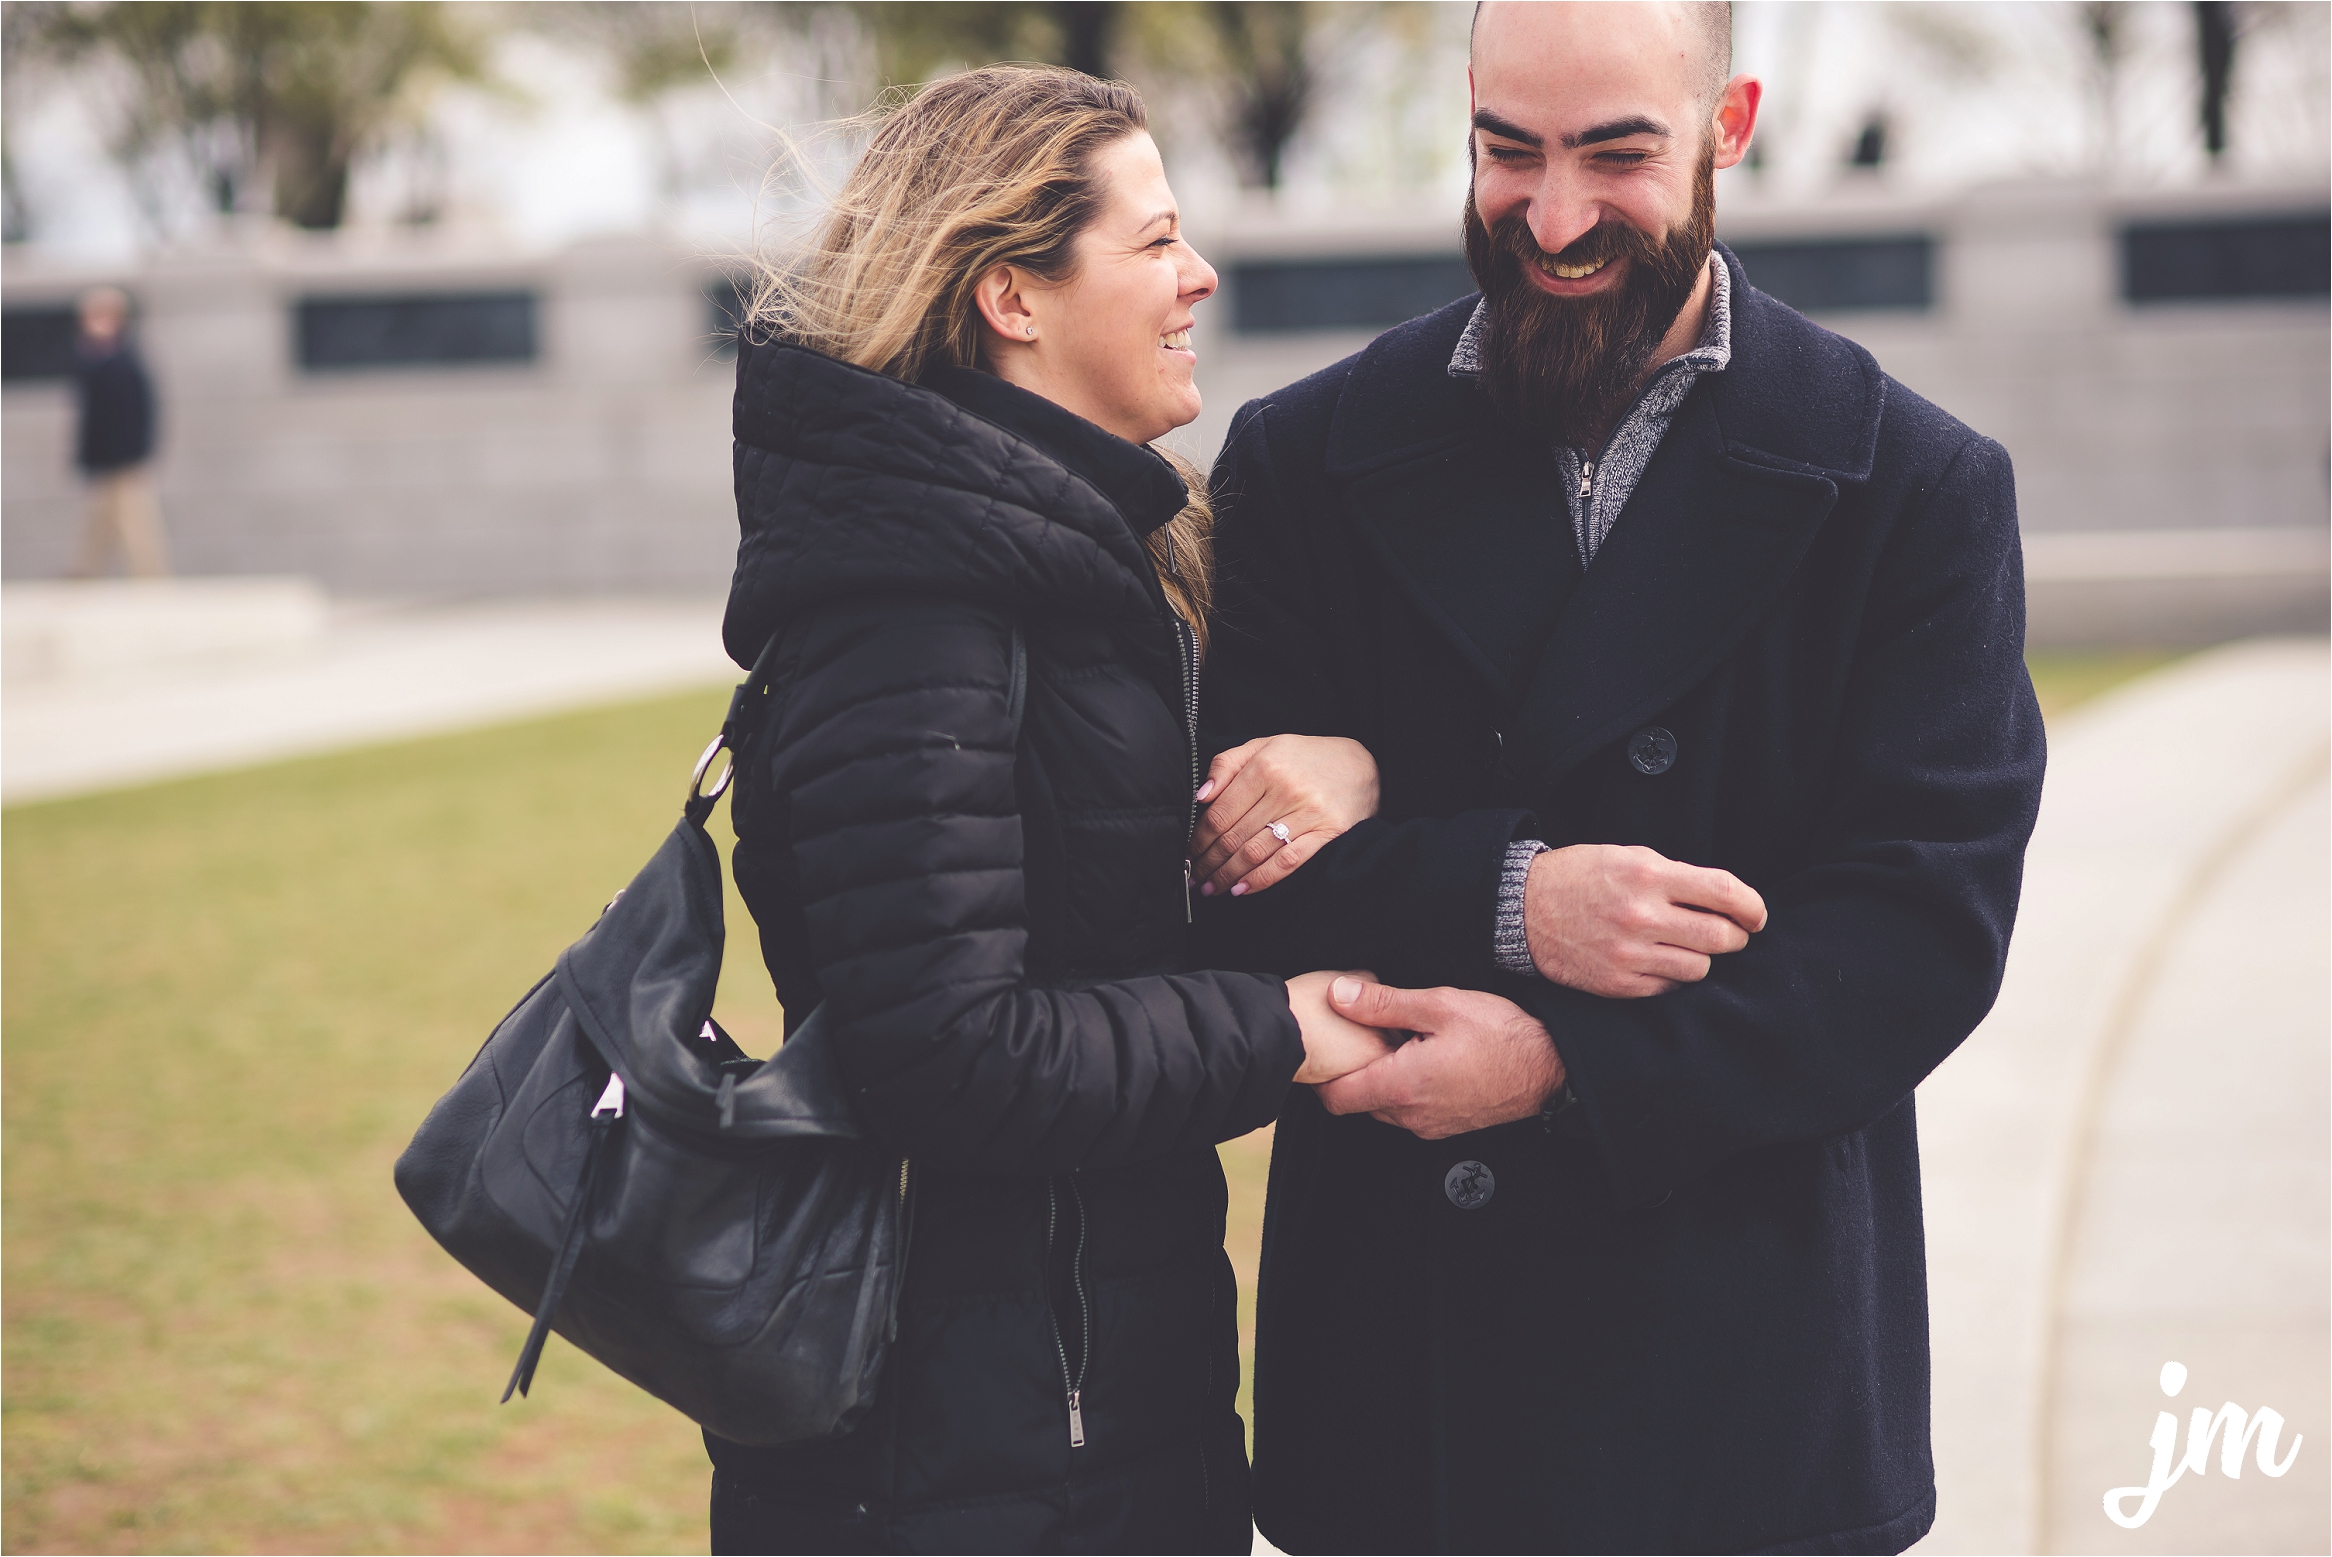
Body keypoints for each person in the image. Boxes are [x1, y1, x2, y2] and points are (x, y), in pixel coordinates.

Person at [1189, 3, 2048, 1552]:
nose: (1557, 215)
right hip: (1405, 1384)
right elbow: (1228, 891)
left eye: (1616, 153)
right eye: (1506, 150)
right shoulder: (1303, 462)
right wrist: (1517, 898)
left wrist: (1569, 1065)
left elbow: (1924, 934)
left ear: (1730, 125)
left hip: (1747, 1378)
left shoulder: (1914, 488)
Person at [709, 66, 1393, 1555]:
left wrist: (1355, 768)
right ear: (1014, 297)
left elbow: (1115, 908)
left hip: (1091, 1415)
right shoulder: (911, 610)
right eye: (1153, 242)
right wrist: (1283, 1029)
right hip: (959, 1461)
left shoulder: (1089, 566)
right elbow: (947, 1054)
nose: (1198, 273)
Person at [69, 285, 168, 578]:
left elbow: (140, 413)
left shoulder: (125, 361)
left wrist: (136, 453)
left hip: (124, 459)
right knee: (101, 519)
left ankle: (150, 576)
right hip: (104, 459)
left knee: (136, 521)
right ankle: (86, 571)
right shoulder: (94, 358)